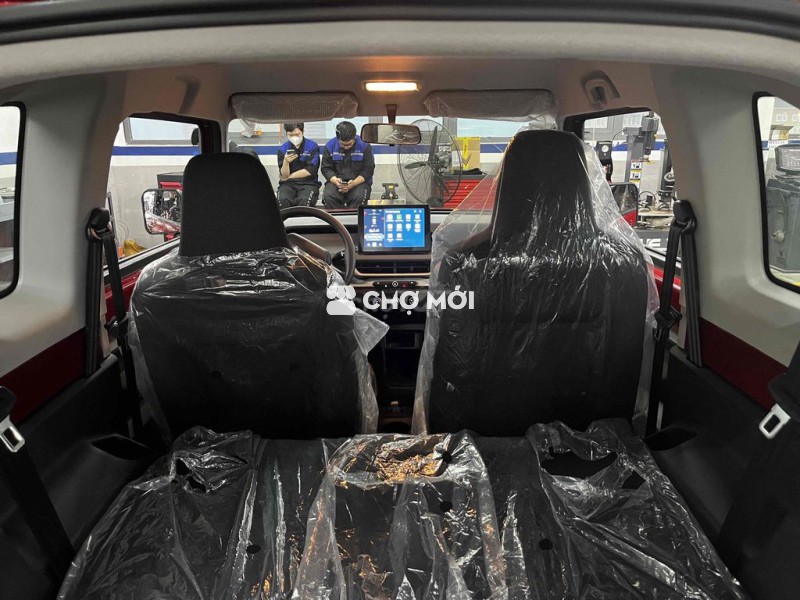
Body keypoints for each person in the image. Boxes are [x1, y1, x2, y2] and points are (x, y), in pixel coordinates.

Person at [321, 121, 375, 208]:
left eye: (349, 144)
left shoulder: (364, 146)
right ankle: (333, 217)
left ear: (354, 137)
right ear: (338, 138)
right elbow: (326, 168)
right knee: (329, 196)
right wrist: (336, 181)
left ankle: (356, 217)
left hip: (358, 182)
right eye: (343, 144)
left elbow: (368, 170)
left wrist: (353, 183)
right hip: (336, 182)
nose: (346, 147)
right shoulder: (330, 146)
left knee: (359, 197)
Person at [277, 123, 321, 208]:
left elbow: (310, 170)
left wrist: (289, 176)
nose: (294, 138)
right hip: (287, 184)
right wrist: (286, 162)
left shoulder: (312, 146)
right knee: (282, 200)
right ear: (286, 134)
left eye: (297, 134)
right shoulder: (282, 149)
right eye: (291, 135)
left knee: (305, 201)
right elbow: (284, 175)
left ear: (303, 132)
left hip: (308, 183)